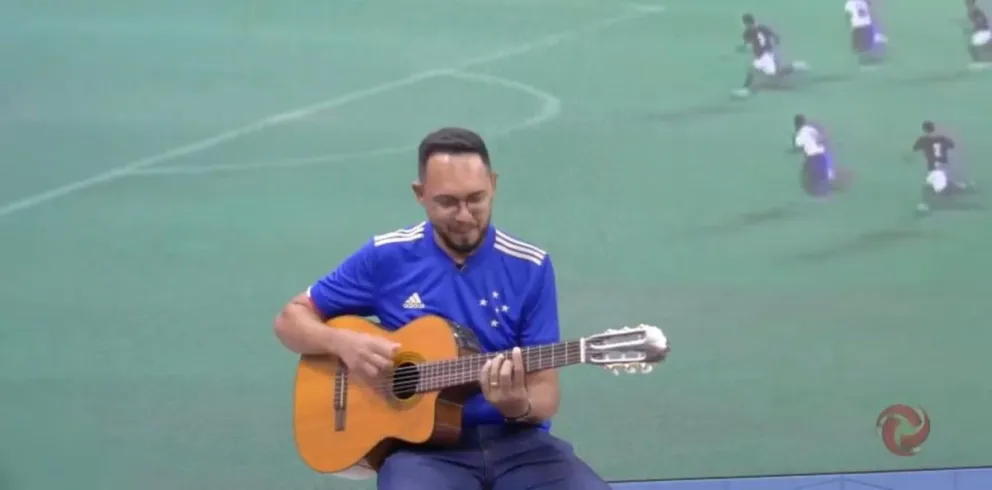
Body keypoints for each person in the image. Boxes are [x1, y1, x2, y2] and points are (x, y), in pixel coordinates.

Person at [273, 127, 611, 490]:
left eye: (476, 199)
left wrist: (516, 405)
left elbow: (545, 394)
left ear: (493, 184)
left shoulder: (531, 266)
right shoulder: (386, 256)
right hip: (422, 454)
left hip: (519, 445)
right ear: (420, 194)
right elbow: (290, 320)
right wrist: (344, 345)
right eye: (448, 202)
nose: (465, 216)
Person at [733, 13, 809, 97]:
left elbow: (747, 46)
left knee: (775, 74)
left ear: (747, 23)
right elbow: (776, 37)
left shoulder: (748, 32)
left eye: (743, 23)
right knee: (751, 70)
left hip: (766, 56)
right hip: (764, 55)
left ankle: (795, 66)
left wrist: (739, 49)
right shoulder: (762, 28)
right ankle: (745, 89)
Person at [965, 0, 991, 67]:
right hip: (982, 33)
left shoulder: (974, 11)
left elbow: (980, 22)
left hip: (981, 33)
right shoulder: (974, 11)